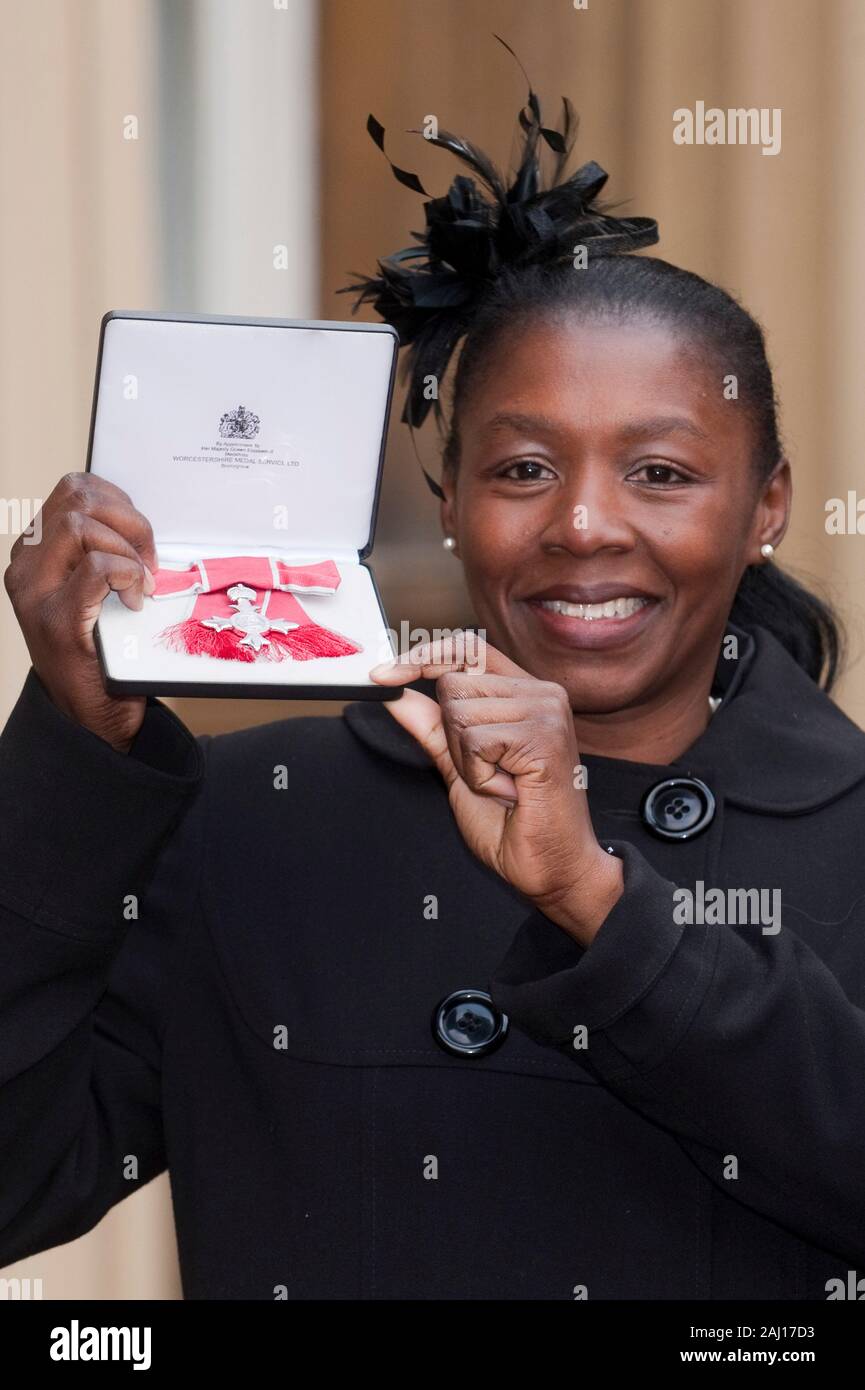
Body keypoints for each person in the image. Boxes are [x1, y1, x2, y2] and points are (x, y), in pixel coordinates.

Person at [1, 68, 864, 1302]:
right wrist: (76, 756)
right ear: (449, 502)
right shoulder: (256, 815)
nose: (582, 525)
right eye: (521, 468)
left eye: (661, 474)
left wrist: (601, 903)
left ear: (766, 506)